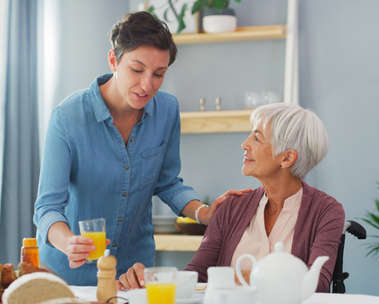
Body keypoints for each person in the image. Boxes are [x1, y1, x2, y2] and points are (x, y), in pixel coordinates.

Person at [33, 11, 246, 286]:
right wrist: (68, 242)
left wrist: (203, 213)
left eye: (159, 74)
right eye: (137, 70)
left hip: (134, 273)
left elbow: (168, 183)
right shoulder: (67, 118)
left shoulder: (167, 110)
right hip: (72, 275)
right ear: (113, 60)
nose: (147, 85)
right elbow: (47, 207)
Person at [119, 103, 345, 292]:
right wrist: (150, 280)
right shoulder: (231, 207)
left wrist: (235, 278)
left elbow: (318, 286)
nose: (244, 144)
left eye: (257, 138)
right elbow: (196, 275)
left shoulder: (327, 212)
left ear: (287, 158)